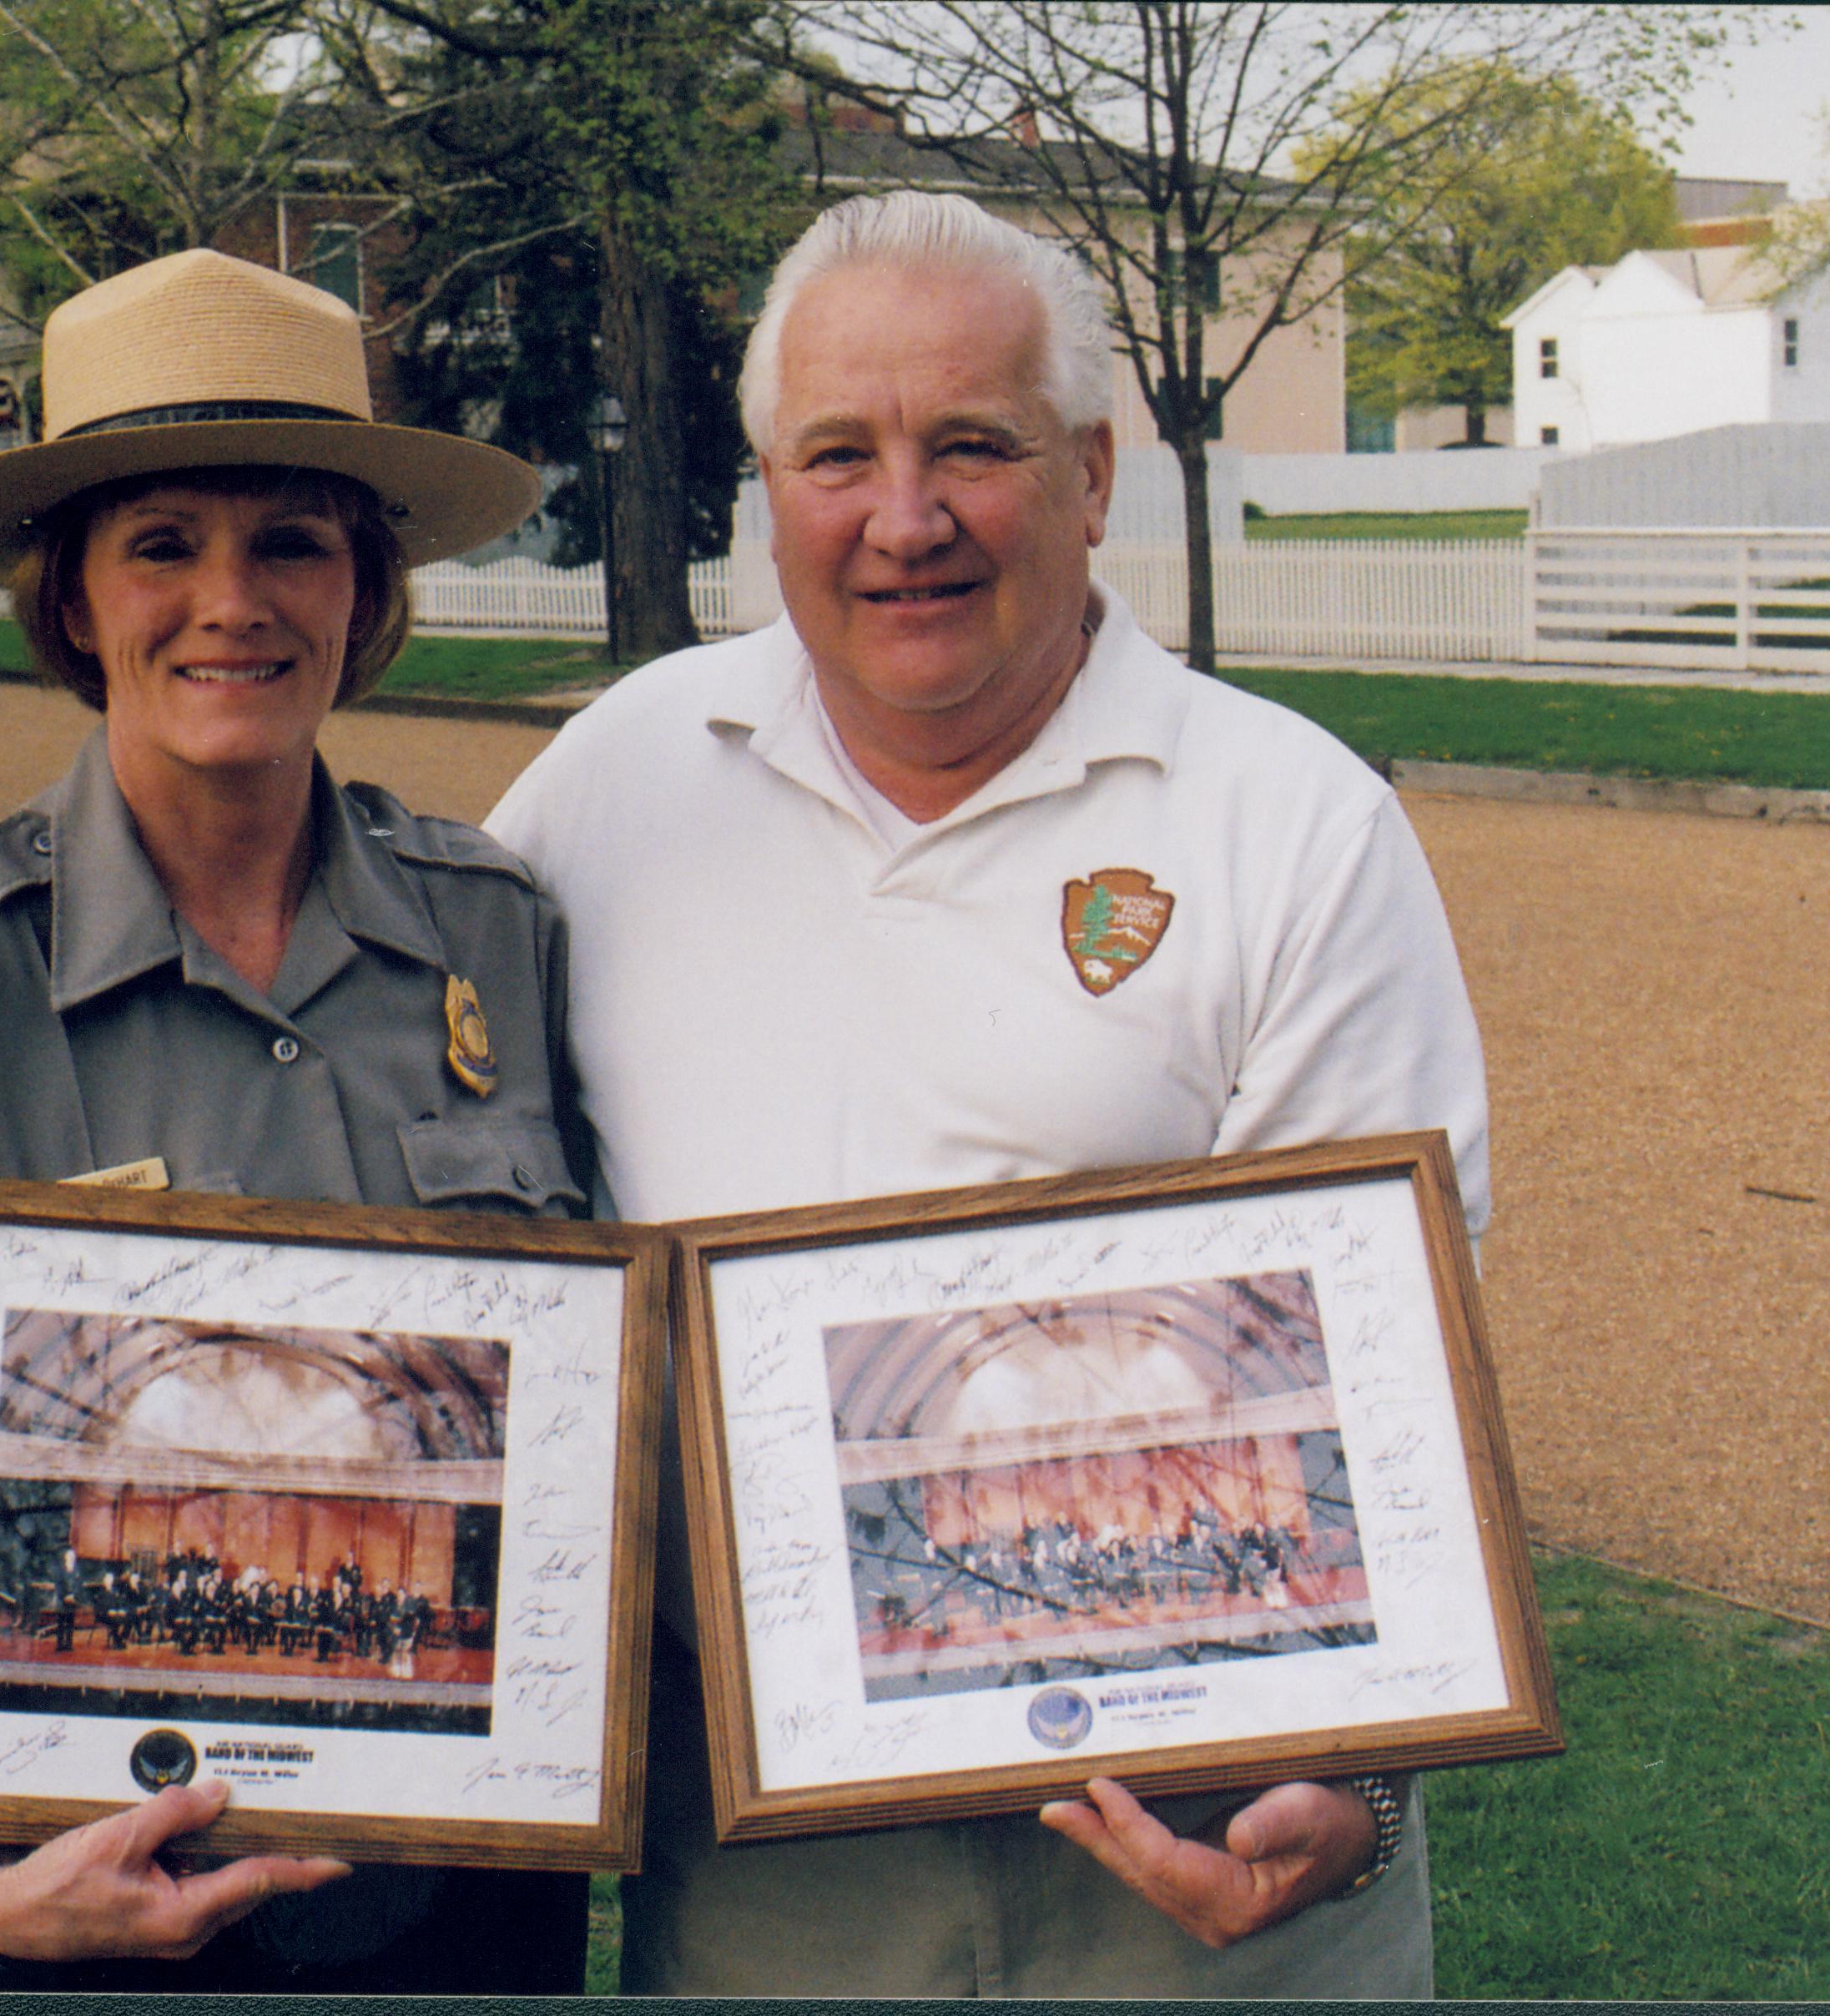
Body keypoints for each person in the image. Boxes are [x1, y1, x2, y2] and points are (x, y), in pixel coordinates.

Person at [486, 191, 1492, 1997]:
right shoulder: (605, 786)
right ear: (766, 490)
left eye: (972, 444)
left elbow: (1392, 1358)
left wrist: (1352, 1772)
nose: (904, 520)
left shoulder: (1292, 817)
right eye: (837, 454)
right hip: (767, 1861)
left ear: (1094, 474)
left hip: (1189, 1839)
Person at [0, 248, 590, 1993]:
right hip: (62, 1909)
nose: (230, 601)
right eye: (162, 541)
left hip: (452, 1900)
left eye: (292, 541)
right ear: (75, 598)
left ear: (364, 587)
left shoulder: (498, 933)